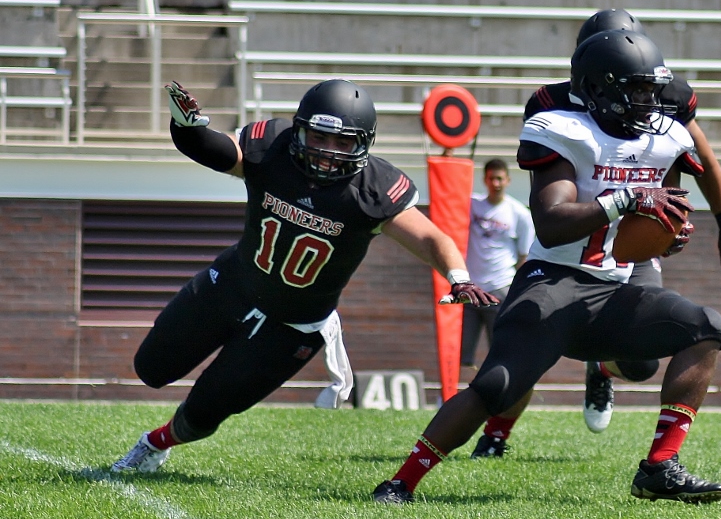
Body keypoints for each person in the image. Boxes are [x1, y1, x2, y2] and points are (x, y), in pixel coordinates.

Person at [374, 29, 721, 505]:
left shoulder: (667, 140)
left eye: (652, 88)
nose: (651, 101)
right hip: (554, 284)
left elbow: (655, 218)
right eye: (638, 89)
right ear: (599, 89)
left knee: (705, 327)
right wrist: (625, 198)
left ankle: (660, 466)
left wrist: (667, 236)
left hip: (615, 289)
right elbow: (551, 223)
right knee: (497, 385)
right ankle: (402, 481)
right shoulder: (562, 129)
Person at [110, 78, 498, 473]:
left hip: (294, 324)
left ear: (364, 143)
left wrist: (459, 276)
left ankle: (155, 443)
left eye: (342, 142)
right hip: (233, 285)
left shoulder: (372, 190)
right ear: (299, 130)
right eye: (319, 136)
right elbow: (214, 148)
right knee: (151, 367)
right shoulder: (273, 148)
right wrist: (187, 128)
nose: (328, 152)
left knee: (204, 413)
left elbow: (431, 236)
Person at [470, 8, 721, 457]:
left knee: (642, 364)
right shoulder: (552, 103)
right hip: (573, 235)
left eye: (646, 82)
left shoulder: (670, 97)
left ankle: (601, 367)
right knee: (525, 346)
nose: (641, 92)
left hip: (629, 238)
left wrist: (718, 224)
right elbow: (550, 191)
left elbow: (694, 162)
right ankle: (495, 434)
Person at [462, 158, 534, 370]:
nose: (496, 183)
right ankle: (454, 392)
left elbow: (524, 256)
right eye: (491, 178)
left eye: (500, 179)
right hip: (470, 289)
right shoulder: (472, 205)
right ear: (485, 180)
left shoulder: (519, 213)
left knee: (499, 348)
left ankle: (496, 393)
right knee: (462, 350)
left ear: (508, 180)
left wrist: (513, 288)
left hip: (499, 289)